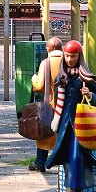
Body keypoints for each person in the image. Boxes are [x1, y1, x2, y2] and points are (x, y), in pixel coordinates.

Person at [44, 39, 96, 192]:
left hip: (82, 128)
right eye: (68, 55)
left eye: (73, 56)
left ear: (80, 57)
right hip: (64, 128)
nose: (70, 59)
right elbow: (58, 103)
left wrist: (90, 95)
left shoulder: (86, 78)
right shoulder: (60, 78)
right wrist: (56, 122)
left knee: (76, 159)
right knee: (66, 161)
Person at [29, 37, 62, 172]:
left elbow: (39, 86)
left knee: (44, 133)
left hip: (52, 105)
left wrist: (34, 79)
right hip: (68, 105)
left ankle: (40, 162)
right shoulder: (69, 61)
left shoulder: (46, 62)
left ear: (48, 49)